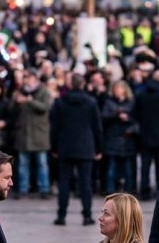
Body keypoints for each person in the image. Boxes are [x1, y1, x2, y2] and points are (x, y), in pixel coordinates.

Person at [50, 73, 103, 225]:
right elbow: (97, 127)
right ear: (83, 84)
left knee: (64, 182)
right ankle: (87, 215)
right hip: (86, 146)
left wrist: (54, 147)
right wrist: (99, 148)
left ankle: (61, 215)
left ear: (70, 84)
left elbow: (54, 127)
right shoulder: (91, 102)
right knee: (85, 183)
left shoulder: (60, 102)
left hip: (65, 146)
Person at [132, 69, 159, 198]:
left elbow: (135, 114)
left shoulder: (141, 94)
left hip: (145, 136)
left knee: (145, 166)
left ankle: (144, 191)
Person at [11, 70, 53, 198]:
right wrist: (16, 101)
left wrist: (30, 100)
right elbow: (10, 109)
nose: (26, 80)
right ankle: (22, 189)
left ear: (35, 78)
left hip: (39, 134)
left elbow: (45, 108)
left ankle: (44, 189)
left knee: (42, 164)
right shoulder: (20, 91)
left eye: (28, 77)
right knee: (23, 164)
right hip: (23, 133)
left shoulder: (43, 91)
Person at [102, 79, 139, 194]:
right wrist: (116, 114)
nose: (117, 91)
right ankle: (111, 190)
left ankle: (129, 190)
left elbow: (138, 120)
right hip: (112, 138)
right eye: (116, 89)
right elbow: (104, 118)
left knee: (128, 168)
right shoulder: (109, 102)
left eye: (120, 89)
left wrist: (129, 121)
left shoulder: (132, 103)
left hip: (128, 138)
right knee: (111, 168)